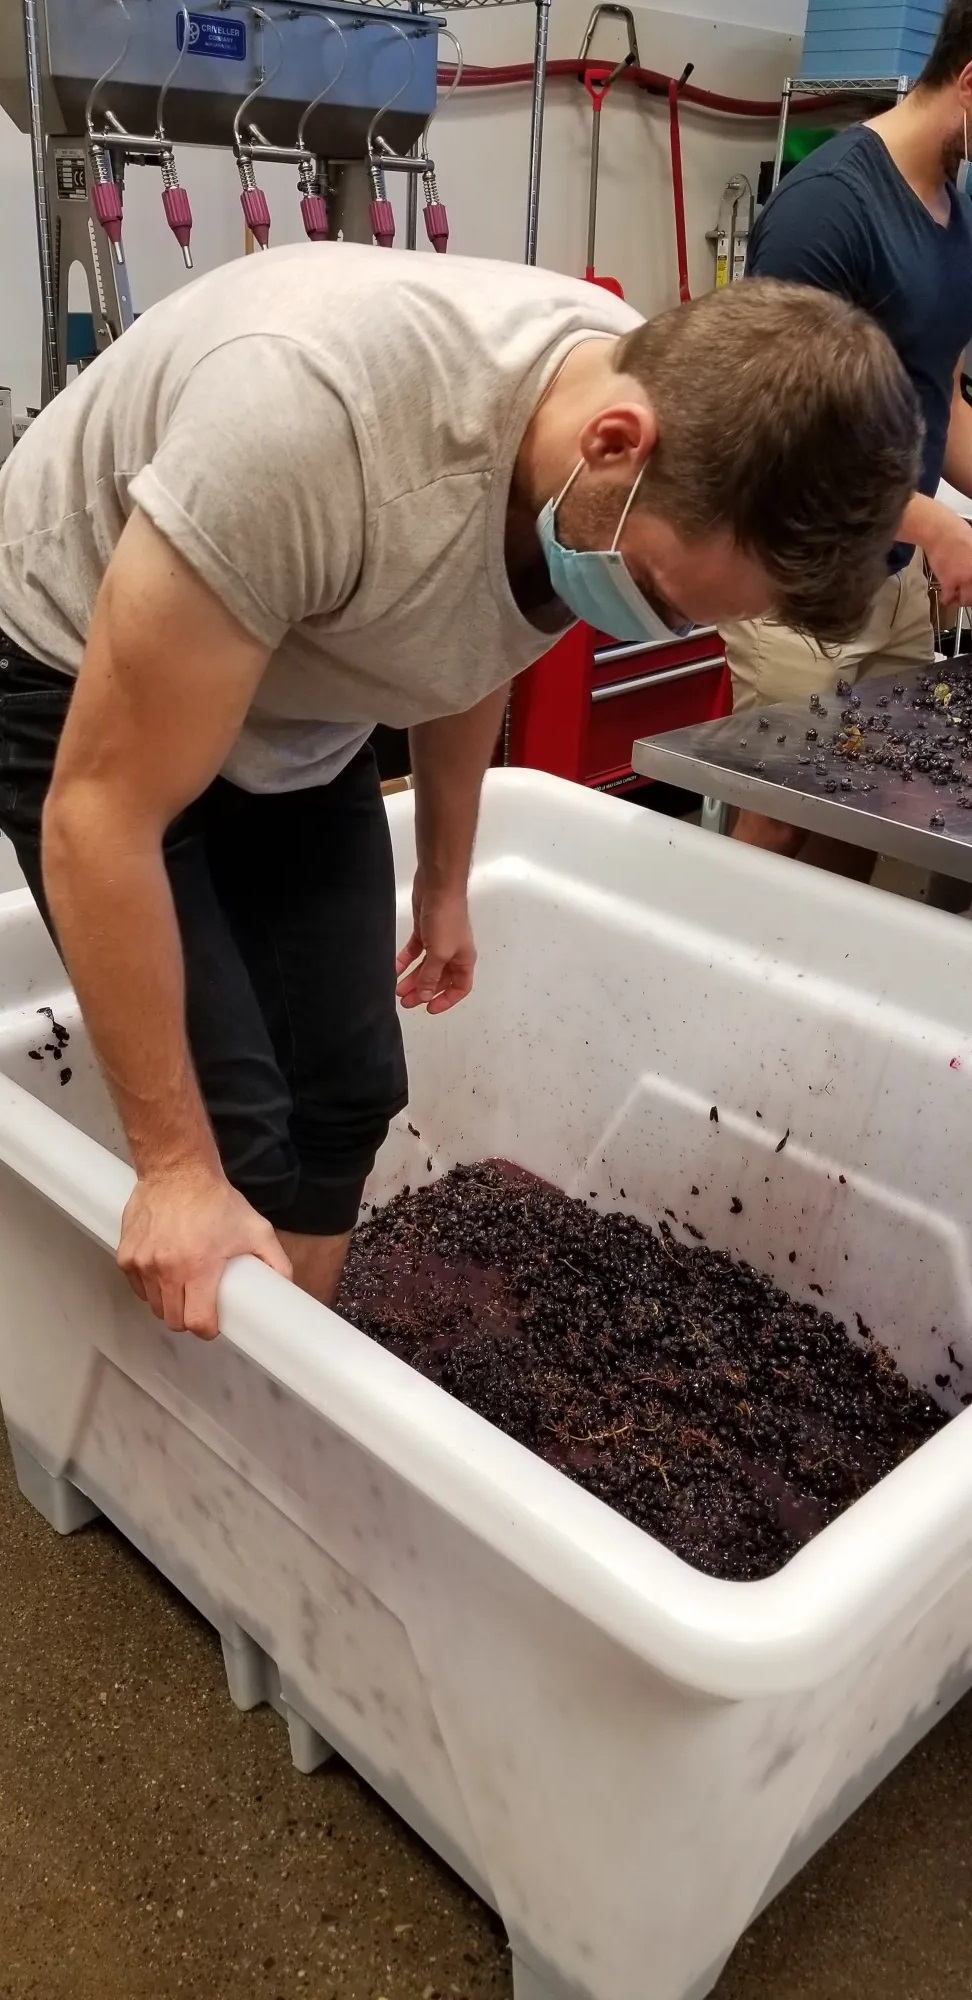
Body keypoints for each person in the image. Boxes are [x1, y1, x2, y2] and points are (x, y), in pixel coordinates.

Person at [0, 247, 919, 1338]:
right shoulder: (312, 426)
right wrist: (172, 1173)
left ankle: (294, 1402)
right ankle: (209, 1445)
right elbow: (99, 815)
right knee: (231, 1141)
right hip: (80, 661)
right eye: (663, 595)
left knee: (346, 1094)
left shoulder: (613, 432)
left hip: (298, 670)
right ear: (614, 444)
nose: (657, 626)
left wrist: (444, 879)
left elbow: (469, 624)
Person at [724, 0, 972, 878]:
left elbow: (935, 391)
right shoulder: (829, 207)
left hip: (894, 577)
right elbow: (780, 435)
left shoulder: (950, 207)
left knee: (867, 814)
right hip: (799, 579)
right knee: (781, 821)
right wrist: (939, 525)